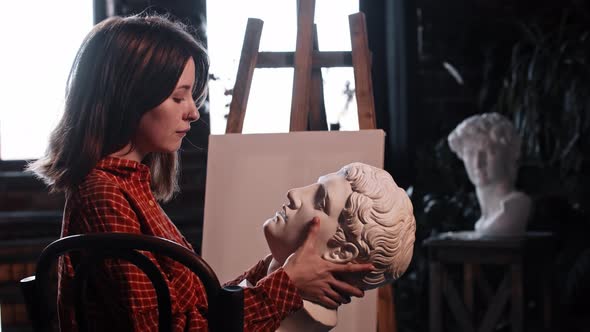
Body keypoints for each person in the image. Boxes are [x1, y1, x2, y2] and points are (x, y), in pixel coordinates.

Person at [27, 13, 372, 331]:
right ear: (129, 98)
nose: (193, 112)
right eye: (179, 98)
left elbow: (197, 307)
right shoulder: (103, 195)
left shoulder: (128, 185)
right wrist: (287, 286)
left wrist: (280, 268)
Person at [261, 162, 416, 331]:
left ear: (341, 252)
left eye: (320, 202)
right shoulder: (264, 283)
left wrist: (284, 285)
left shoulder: (276, 316)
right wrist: (281, 278)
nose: (293, 194)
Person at [447, 112, 532, 236]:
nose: (478, 162)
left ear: (508, 155)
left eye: (489, 151)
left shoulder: (514, 208)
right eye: (470, 153)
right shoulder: (484, 220)